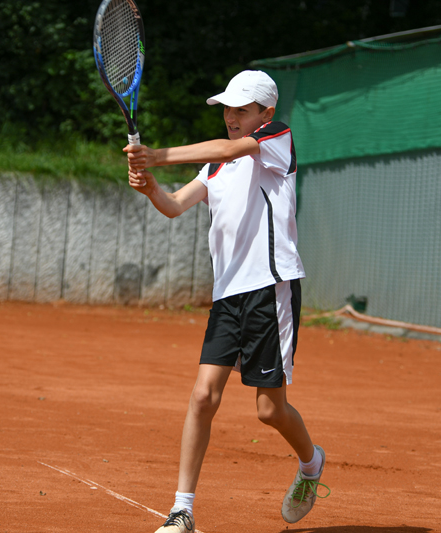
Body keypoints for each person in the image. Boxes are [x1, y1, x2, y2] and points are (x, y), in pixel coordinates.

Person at [124, 70, 328, 533]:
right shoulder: (213, 170)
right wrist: (151, 185)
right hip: (227, 296)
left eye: (242, 109)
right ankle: (182, 510)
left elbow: (230, 148)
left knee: (269, 410)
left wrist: (158, 154)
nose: (232, 117)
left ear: (265, 113)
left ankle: (311, 463)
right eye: (228, 109)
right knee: (202, 396)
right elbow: (175, 205)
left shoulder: (275, 138)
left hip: (270, 289)